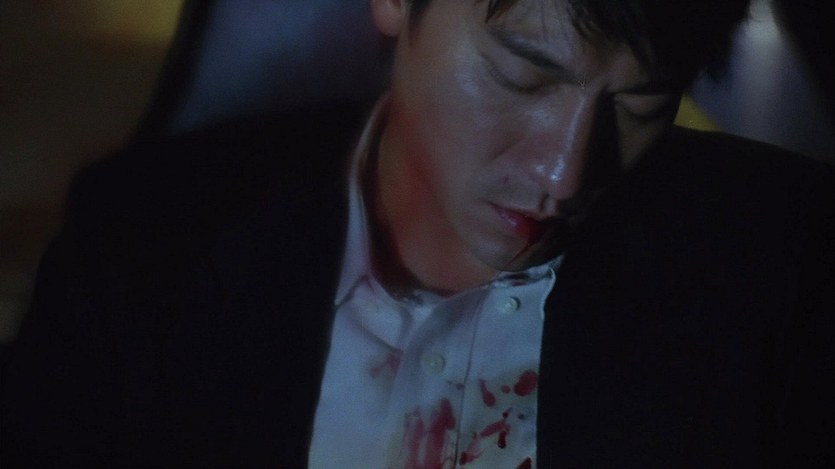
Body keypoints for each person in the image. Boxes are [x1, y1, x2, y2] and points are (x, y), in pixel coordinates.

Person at [2, 0, 833, 467]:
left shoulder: (779, 262)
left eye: (642, 104)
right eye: (523, 73)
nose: (563, 172)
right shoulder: (147, 244)